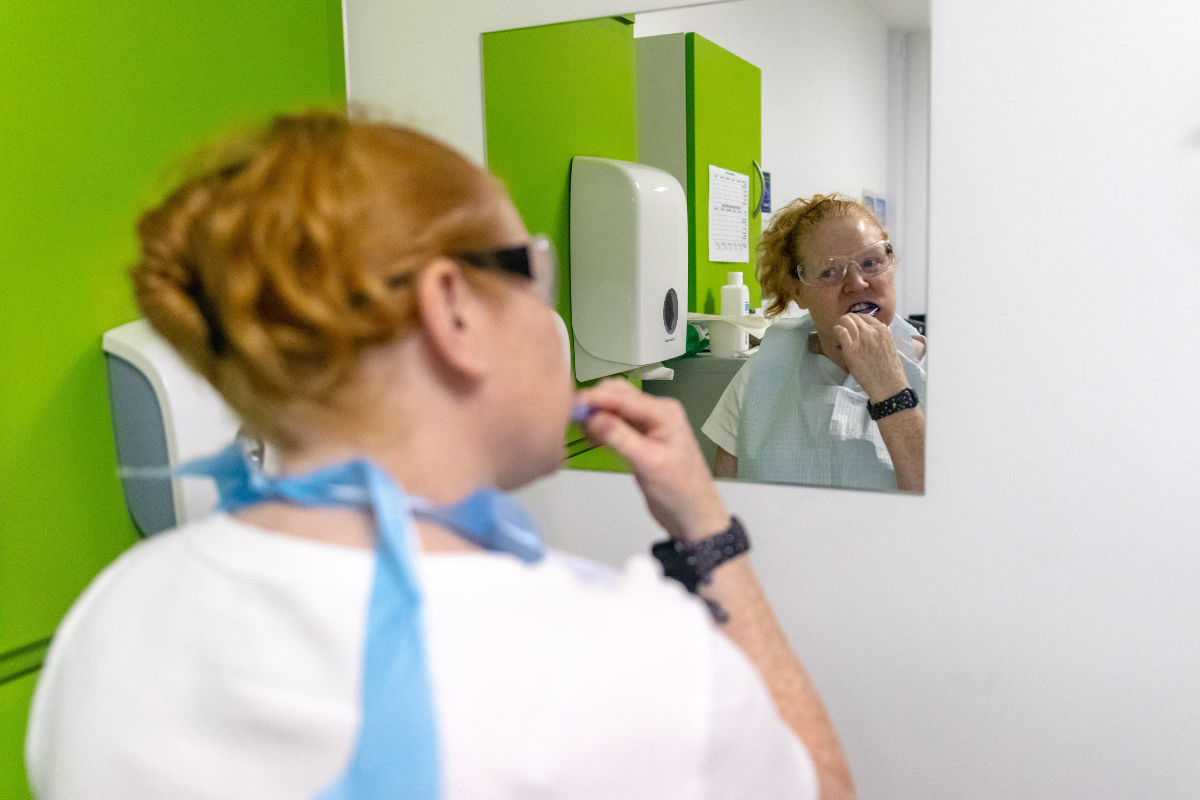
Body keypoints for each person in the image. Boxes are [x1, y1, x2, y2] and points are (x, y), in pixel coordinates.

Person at [25, 112, 855, 800]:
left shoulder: (110, 617)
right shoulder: (624, 662)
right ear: (452, 309)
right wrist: (708, 529)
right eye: (535, 272)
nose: (551, 319)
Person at [702, 194, 926, 492]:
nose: (857, 283)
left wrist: (891, 389)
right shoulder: (760, 377)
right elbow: (726, 499)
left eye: (870, 262)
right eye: (829, 272)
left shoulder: (937, 374)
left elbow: (954, 512)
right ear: (798, 291)